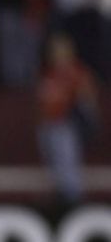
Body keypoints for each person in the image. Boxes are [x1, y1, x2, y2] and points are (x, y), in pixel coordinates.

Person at [37, 32, 99, 206]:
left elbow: (87, 98)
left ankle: (73, 200)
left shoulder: (76, 72)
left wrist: (89, 120)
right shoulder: (48, 73)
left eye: (60, 49)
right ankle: (61, 197)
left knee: (67, 164)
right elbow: (43, 100)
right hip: (48, 124)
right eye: (53, 49)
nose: (56, 53)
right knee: (53, 166)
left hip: (65, 125)